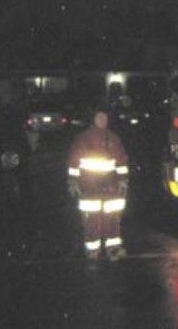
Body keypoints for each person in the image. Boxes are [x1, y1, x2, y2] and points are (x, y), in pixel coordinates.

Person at [67, 104, 129, 260]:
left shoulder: (114, 138)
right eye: (99, 117)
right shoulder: (83, 138)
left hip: (111, 186)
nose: (103, 120)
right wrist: (73, 181)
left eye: (105, 117)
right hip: (89, 185)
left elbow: (122, 161)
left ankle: (113, 247)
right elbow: (74, 162)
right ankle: (92, 249)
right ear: (93, 119)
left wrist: (123, 181)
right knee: (91, 219)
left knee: (113, 217)